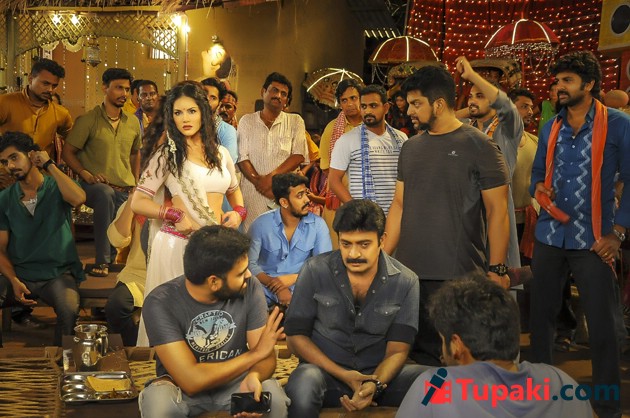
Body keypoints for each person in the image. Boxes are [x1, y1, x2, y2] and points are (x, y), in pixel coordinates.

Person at [384, 65, 510, 366]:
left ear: (438, 104)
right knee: (417, 361)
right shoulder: (410, 148)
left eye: (416, 104)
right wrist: (382, 257)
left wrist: (498, 269)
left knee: (459, 360)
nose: (409, 111)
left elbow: (498, 212)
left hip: (459, 276)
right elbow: (399, 204)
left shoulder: (481, 146)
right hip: (410, 275)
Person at [529, 50, 630, 418]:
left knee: (603, 328)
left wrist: (617, 234)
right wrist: (540, 188)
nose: (559, 86)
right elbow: (536, 174)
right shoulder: (550, 127)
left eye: (567, 80)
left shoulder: (618, 124)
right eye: (557, 80)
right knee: (541, 323)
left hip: (594, 240)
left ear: (589, 85)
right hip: (549, 236)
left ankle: (607, 408)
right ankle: (539, 399)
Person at [284, 199, 426, 417]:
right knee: (303, 384)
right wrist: (344, 374)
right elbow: (295, 338)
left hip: (380, 380)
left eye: (364, 244)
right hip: (325, 375)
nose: (353, 254)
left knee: (439, 381)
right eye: (346, 244)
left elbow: (398, 350)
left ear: (382, 240)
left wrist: (374, 384)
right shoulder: (314, 270)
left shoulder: (406, 281)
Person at [131, 81, 245, 347]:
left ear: (203, 112)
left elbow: (234, 192)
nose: (185, 119)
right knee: (177, 326)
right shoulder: (167, 155)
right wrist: (174, 215)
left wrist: (238, 213)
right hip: (178, 246)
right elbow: (138, 201)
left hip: (213, 247)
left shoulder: (221, 154)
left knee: (210, 329)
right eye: (178, 112)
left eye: (191, 111)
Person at [138, 226, 289, 418]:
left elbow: (265, 357)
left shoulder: (250, 287)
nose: (249, 275)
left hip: (236, 382)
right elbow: (191, 381)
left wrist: (255, 375)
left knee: (274, 398)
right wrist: (255, 354)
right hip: (181, 389)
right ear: (214, 282)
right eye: (241, 273)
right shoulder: (160, 302)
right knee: (159, 404)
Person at [397, 277, 594, 418]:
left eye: (443, 340)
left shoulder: (434, 386)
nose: (442, 352)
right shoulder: (561, 382)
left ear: (456, 345)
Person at [0, 132, 85, 345]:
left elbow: (78, 198)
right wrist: (13, 280)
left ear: (32, 155)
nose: (10, 166)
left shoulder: (56, 187)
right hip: (20, 274)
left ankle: (62, 359)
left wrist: (49, 164)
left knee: (69, 309)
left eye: (14, 157)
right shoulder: (5, 199)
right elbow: (0, 249)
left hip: (57, 274)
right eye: (4, 162)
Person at [62, 68, 142, 278]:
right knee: (105, 195)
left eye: (127, 89)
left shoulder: (133, 122)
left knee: (135, 208)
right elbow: (67, 152)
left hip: (124, 186)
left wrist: (136, 182)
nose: (124, 93)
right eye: (118, 88)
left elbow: (135, 153)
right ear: (105, 88)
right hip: (93, 185)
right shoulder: (88, 120)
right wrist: (85, 174)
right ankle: (102, 260)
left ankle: (119, 264)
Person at [457, 56, 523, 270]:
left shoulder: (508, 129)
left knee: (498, 272)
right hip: (466, 207)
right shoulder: (463, 128)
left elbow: (506, 106)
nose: (472, 101)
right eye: (470, 96)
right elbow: (437, 120)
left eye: (480, 96)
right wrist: (472, 106)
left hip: (497, 205)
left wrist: (472, 76)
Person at [237, 72, 309, 231]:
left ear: (286, 100)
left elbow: (298, 155)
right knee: (252, 237)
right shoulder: (247, 121)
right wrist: (259, 183)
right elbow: (242, 157)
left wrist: (270, 179)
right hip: (252, 193)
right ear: (263, 92)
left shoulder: (295, 121)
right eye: (274, 90)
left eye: (284, 94)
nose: (278, 96)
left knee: (283, 236)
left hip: (283, 193)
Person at [248, 173, 331, 306]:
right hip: (264, 288)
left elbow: (323, 266)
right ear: (284, 202)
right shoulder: (261, 224)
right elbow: (250, 264)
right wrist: (277, 287)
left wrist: (295, 278)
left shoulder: (318, 225)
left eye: (306, 193)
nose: (307, 200)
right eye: (300, 196)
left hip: (303, 286)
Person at [329, 85, 407, 215]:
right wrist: (356, 209)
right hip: (365, 218)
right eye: (364, 106)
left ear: (386, 108)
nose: (367, 111)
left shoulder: (401, 138)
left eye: (373, 106)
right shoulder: (347, 140)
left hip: (397, 216)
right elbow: (333, 181)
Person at [0, 58, 72, 189]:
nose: (50, 90)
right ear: (31, 78)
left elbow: (74, 143)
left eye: (54, 86)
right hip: (7, 175)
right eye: (45, 83)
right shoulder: (5, 103)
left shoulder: (60, 113)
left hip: (40, 179)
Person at [318, 78, 364, 249]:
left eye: (353, 98)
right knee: (337, 249)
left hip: (368, 197)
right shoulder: (332, 129)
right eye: (344, 100)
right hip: (337, 199)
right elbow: (326, 168)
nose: (349, 104)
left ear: (361, 99)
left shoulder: (373, 126)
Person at [105, 190, 148, 347]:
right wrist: (131, 201)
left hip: (175, 275)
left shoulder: (185, 200)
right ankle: (133, 350)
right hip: (138, 275)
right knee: (116, 305)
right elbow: (117, 240)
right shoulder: (138, 201)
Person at [507, 88, 539, 262]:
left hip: (527, 221)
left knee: (524, 268)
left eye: (531, 107)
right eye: (524, 106)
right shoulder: (492, 140)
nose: (530, 112)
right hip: (501, 220)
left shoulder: (535, 141)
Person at [200, 77, 238, 163]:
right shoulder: (188, 124)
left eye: (213, 98)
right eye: (204, 95)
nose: (207, 100)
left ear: (219, 103)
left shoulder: (227, 130)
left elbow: (229, 162)